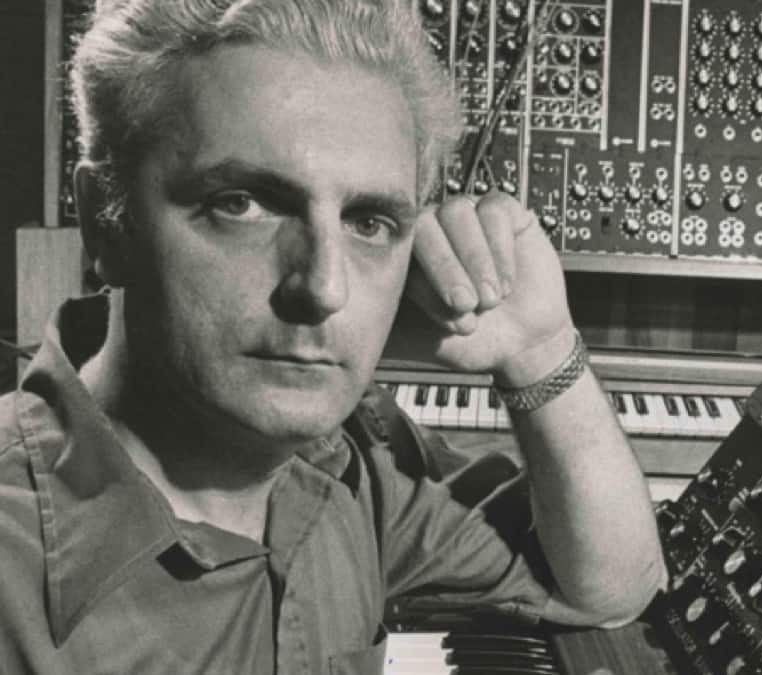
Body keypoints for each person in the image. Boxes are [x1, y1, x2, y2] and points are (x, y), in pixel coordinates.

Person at [0, 0, 666, 672]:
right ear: (106, 221)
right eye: (241, 204)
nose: (324, 288)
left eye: (368, 222)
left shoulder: (349, 466)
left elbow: (609, 588)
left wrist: (540, 350)